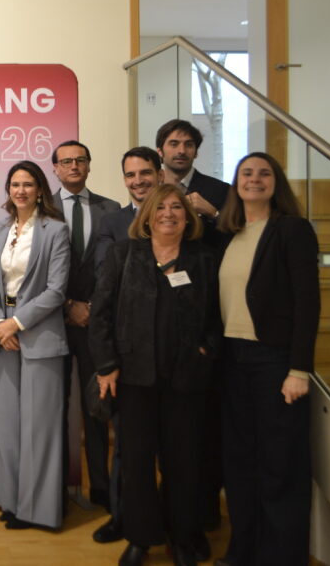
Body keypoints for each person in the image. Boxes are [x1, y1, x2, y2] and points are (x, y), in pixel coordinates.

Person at [89, 184, 221, 566]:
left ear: (188, 215)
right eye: (160, 207)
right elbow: (100, 314)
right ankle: (141, 538)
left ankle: (182, 538)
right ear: (146, 215)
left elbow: (217, 317)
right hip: (133, 380)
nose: (168, 213)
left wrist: (205, 350)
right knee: (136, 464)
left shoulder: (204, 259)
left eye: (176, 207)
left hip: (186, 381)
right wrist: (106, 366)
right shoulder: (124, 254)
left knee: (184, 463)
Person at [216, 152, 319, 566]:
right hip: (232, 360)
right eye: (246, 173)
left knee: (281, 465)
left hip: (275, 361)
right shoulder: (229, 233)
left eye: (264, 173)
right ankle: (244, 548)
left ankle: (280, 557)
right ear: (236, 183)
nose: (254, 180)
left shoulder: (291, 230)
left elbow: (308, 302)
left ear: (277, 182)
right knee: (240, 464)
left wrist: (300, 368)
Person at [155, 118, 228, 553]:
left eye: (187, 144)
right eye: (172, 143)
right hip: (154, 331)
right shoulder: (152, 191)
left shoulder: (218, 193)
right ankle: (157, 521)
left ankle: (201, 515)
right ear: (160, 149)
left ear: (197, 151)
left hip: (203, 322)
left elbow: (238, 241)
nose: (180, 150)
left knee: (200, 435)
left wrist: (212, 214)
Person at [0, 161, 71, 530]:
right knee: (7, 426)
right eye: (15, 184)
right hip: (2, 338)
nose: (20, 190)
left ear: (40, 189)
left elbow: (56, 290)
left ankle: (39, 511)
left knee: (39, 429)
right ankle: (12, 500)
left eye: (28, 184)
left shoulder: (55, 230)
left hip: (39, 337)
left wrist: (17, 323)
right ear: (7, 189)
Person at [89, 145, 163, 545]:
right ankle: (124, 519)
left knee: (174, 451)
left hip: (172, 358)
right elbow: (105, 285)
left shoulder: (178, 215)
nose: (138, 181)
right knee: (127, 449)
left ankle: (174, 523)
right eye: (131, 175)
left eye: (145, 172)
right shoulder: (114, 222)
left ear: (159, 173)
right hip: (126, 354)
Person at [50, 141, 120, 513]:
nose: (74, 166)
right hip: (53, 325)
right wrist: (67, 306)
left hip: (96, 324)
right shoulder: (41, 211)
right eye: (66, 162)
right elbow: (32, 271)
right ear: (56, 170)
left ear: (89, 166)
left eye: (80, 160)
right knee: (55, 408)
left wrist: (93, 308)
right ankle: (57, 489)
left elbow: (115, 269)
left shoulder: (112, 210)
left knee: (97, 409)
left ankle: (102, 489)